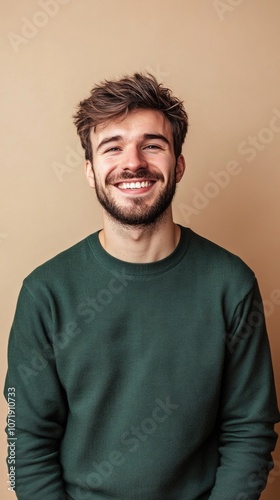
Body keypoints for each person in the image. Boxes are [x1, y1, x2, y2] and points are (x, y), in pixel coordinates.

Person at [4, 73, 280, 500]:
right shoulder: (45, 292)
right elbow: (24, 441)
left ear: (179, 165)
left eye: (152, 145)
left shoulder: (230, 284)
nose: (133, 163)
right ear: (91, 171)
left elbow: (250, 429)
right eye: (112, 148)